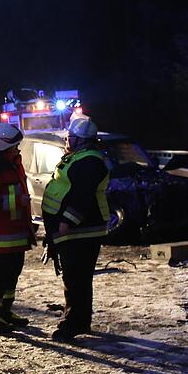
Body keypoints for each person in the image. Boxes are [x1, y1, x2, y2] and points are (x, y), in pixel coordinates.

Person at [41, 116, 111, 340]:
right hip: (74, 231)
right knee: (74, 277)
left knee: (76, 278)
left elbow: (83, 196)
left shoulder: (89, 162)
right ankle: (78, 318)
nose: (67, 140)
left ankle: (75, 323)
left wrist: (67, 221)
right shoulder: (79, 157)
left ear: (81, 140)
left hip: (81, 231)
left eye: (70, 137)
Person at [0, 123, 36, 334]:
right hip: (2, 232)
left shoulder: (12, 163)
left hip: (17, 230)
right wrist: (17, 201)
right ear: (4, 147)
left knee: (12, 274)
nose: (18, 149)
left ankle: (5, 311)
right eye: (15, 146)